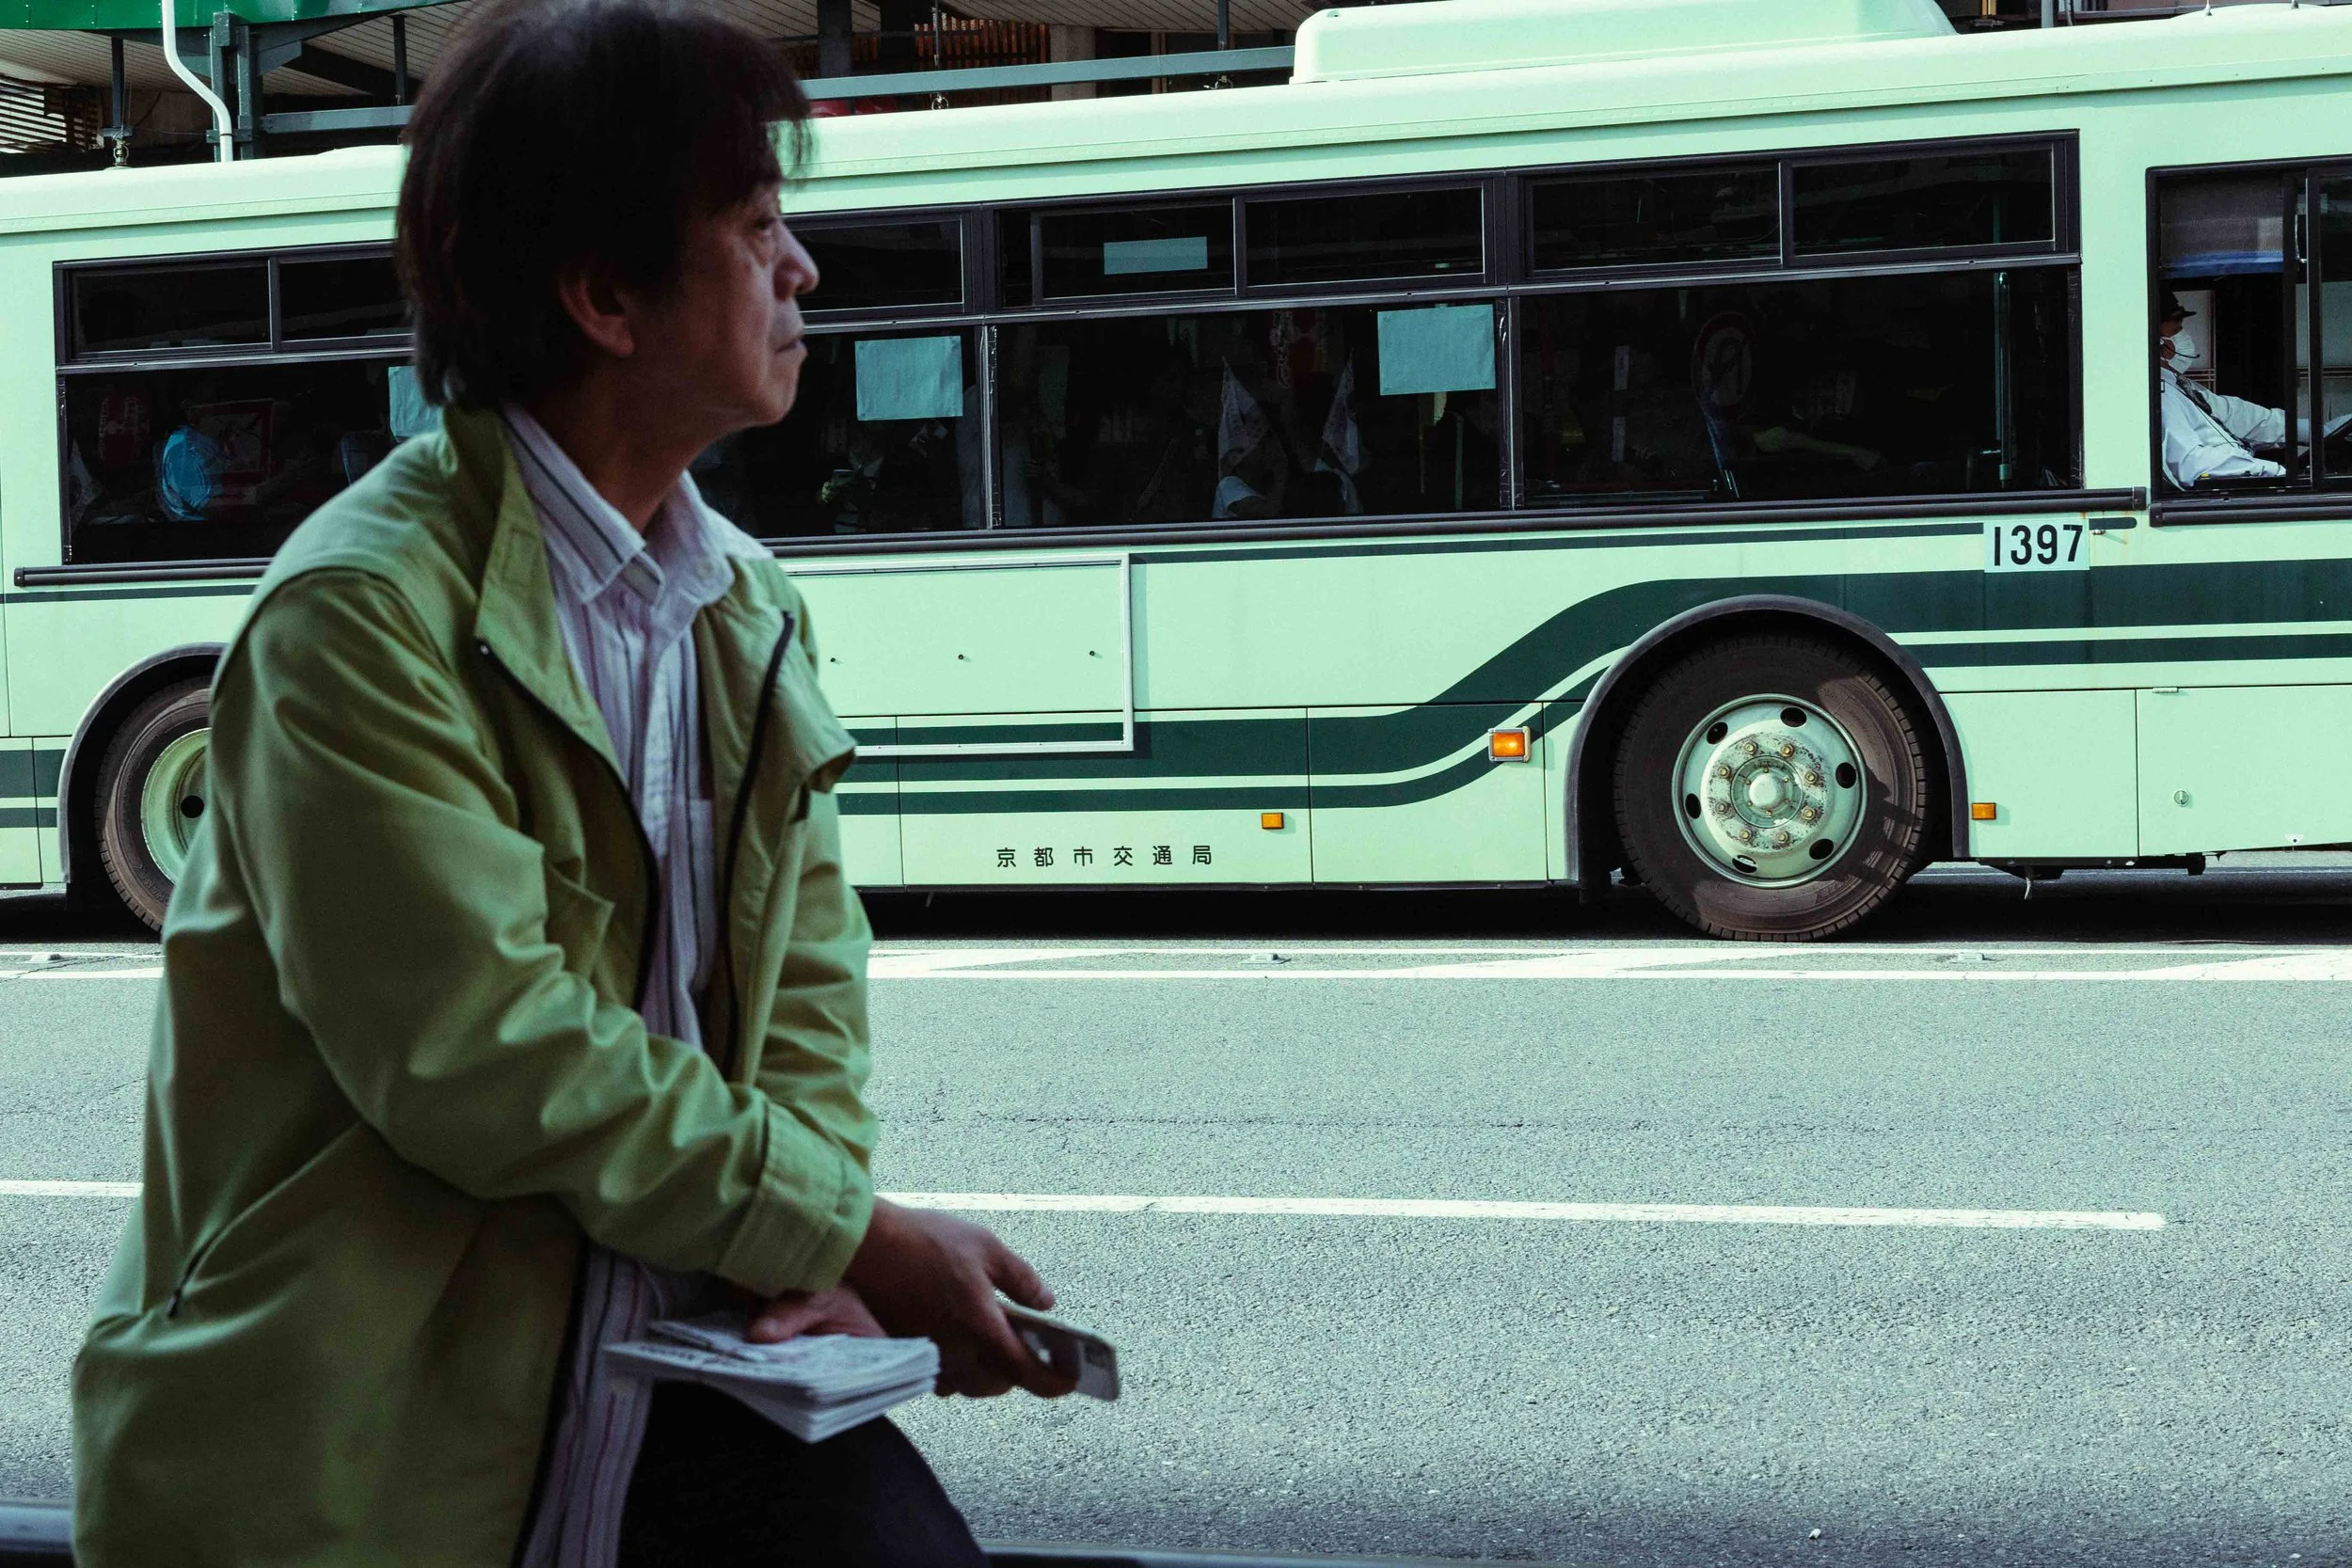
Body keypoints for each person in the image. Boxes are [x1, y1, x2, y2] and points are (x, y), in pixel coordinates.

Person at [70, 4, 1073, 1566]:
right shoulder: (357, 614)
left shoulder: (743, 605)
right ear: (605, 295)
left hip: (682, 1357)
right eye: (755, 229)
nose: (802, 268)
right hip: (379, 1413)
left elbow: (806, 979)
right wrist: (843, 1229)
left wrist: (804, 1254)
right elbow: (486, 1053)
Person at [2157, 290, 2290, 488]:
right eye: (2176, 332)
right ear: (2157, 342)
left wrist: (2315, 431)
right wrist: (2275, 472)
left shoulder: (2181, 386)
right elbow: (2190, 464)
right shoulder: (2161, 395)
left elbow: (2239, 416)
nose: (2185, 339)